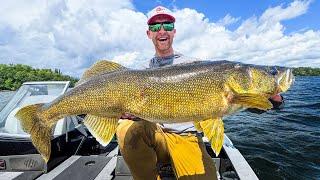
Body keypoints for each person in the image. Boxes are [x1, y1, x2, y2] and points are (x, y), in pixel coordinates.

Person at [116, 6, 284, 180]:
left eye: (167, 25)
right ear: (149, 33)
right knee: (125, 129)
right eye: (155, 27)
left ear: (173, 31)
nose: (161, 30)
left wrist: (272, 99)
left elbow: (246, 102)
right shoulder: (139, 72)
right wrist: (129, 114)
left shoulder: (197, 66)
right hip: (155, 134)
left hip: (186, 137)